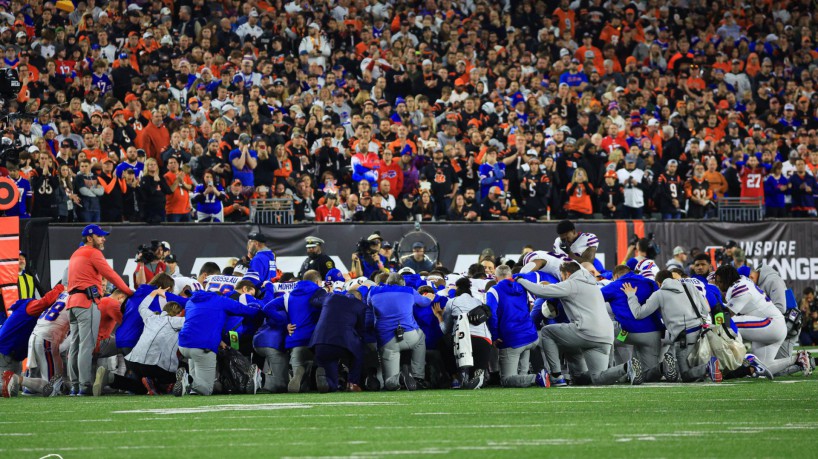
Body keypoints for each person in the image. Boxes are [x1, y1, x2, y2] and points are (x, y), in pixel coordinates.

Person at [518, 262, 640, 386]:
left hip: (586, 331)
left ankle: (556, 376)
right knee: (598, 377)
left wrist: (521, 280)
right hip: (607, 335)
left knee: (546, 332)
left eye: (562, 276)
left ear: (567, 274)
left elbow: (540, 291)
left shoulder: (572, 284)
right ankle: (626, 367)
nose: (562, 279)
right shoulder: (593, 285)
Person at [66, 225, 133, 396]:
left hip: (72, 303)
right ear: (89, 238)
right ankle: (84, 385)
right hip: (86, 302)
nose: (103, 239)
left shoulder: (76, 253)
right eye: (100, 236)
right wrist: (129, 292)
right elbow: (111, 275)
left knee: (75, 346)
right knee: (86, 346)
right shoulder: (92, 252)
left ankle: (75, 385)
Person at [713, 265, 811, 377]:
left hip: (772, 324)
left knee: (729, 323)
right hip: (773, 327)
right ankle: (798, 359)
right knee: (762, 366)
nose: (718, 285)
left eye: (720, 282)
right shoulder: (743, 281)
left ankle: (738, 356)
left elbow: (727, 315)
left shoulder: (739, 288)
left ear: (727, 280)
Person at [175, 281, 262, 396]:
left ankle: (190, 382)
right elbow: (245, 310)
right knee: (206, 389)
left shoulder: (191, 301)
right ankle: (188, 381)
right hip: (203, 345)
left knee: (197, 378)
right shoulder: (221, 300)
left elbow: (200, 323)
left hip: (183, 345)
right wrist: (260, 309)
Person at [94, 287, 185, 396]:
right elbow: (194, 320)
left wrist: (153, 293)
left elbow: (142, 306)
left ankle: (111, 377)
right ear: (178, 313)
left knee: (140, 388)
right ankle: (169, 384)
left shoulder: (151, 317)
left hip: (134, 361)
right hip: (154, 365)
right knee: (183, 369)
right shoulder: (177, 321)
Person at [487, 265, 549, 388]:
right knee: (522, 374)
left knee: (506, 379)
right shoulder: (522, 287)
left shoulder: (493, 290)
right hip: (530, 336)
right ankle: (533, 377)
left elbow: (492, 315)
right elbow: (527, 307)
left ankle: (536, 377)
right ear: (510, 275)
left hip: (512, 339)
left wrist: (494, 335)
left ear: (495, 278)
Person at [367, 273, 431, 391]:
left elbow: (369, 308)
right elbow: (425, 302)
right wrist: (430, 297)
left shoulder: (373, 291)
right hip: (410, 336)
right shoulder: (409, 290)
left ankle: (399, 378)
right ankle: (418, 377)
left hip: (387, 341)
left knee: (390, 384)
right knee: (421, 336)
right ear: (403, 284)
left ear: (387, 282)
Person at [601, 265, 664, 382]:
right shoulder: (650, 283)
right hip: (653, 333)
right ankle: (662, 368)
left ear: (615, 276)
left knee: (608, 339)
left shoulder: (615, 285)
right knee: (650, 373)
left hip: (627, 333)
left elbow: (593, 299)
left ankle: (623, 371)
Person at [0, 284, 66, 397]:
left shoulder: (25, 309)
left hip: (14, 355)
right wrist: (60, 288)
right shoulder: (29, 306)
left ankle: (19, 379)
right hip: (6, 352)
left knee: (13, 390)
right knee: (4, 388)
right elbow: (44, 302)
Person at [433, 277, 493, 389]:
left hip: (462, 340)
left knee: (443, 342)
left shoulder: (452, 302)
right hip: (484, 341)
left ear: (457, 290)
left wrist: (439, 316)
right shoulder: (479, 302)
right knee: (477, 368)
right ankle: (480, 372)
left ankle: (455, 376)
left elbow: (445, 329)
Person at [311, 287, 369, 393]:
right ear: (359, 298)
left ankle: (328, 382)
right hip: (343, 343)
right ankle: (352, 383)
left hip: (320, 342)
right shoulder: (359, 305)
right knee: (359, 351)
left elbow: (313, 301)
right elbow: (361, 330)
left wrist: (321, 289)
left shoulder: (330, 297)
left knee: (331, 379)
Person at [280, 270, 327, 393]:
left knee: (301, 385)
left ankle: (300, 372)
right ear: (318, 282)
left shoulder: (289, 294)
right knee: (321, 365)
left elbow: (268, 308)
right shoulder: (319, 292)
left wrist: (286, 323)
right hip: (314, 339)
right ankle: (317, 372)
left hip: (295, 339)